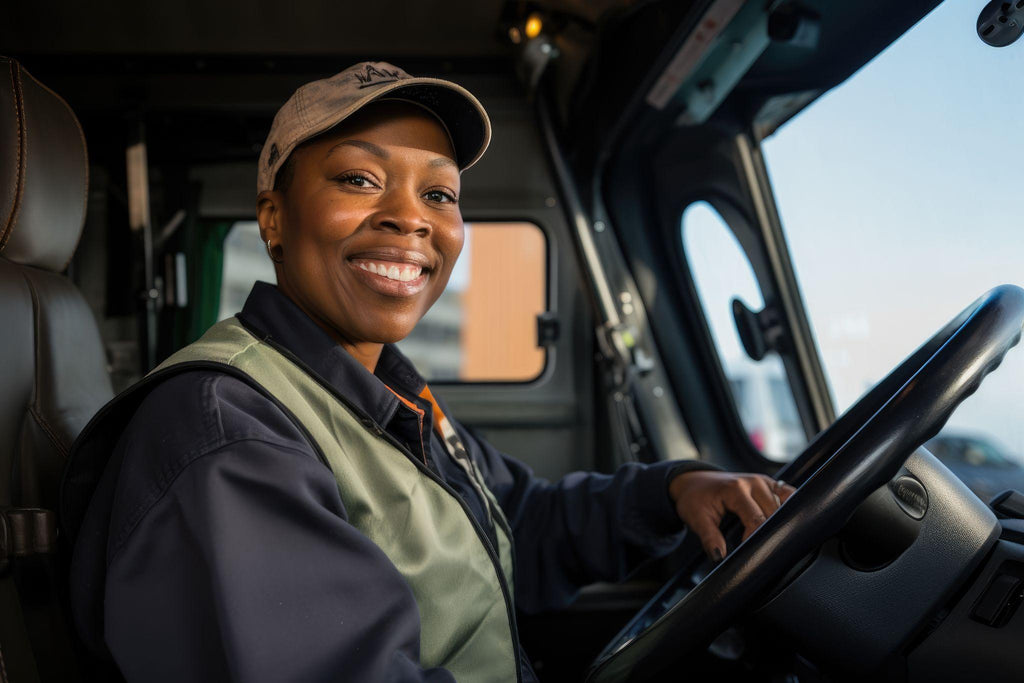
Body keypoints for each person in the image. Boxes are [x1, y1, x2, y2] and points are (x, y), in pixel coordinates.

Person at [64, 61, 795, 683]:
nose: (410, 218)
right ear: (274, 218)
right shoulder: (231, 436)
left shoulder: (385, 391)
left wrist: (672, 490)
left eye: (439, 194)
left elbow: (517, 525)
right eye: (358, 178)